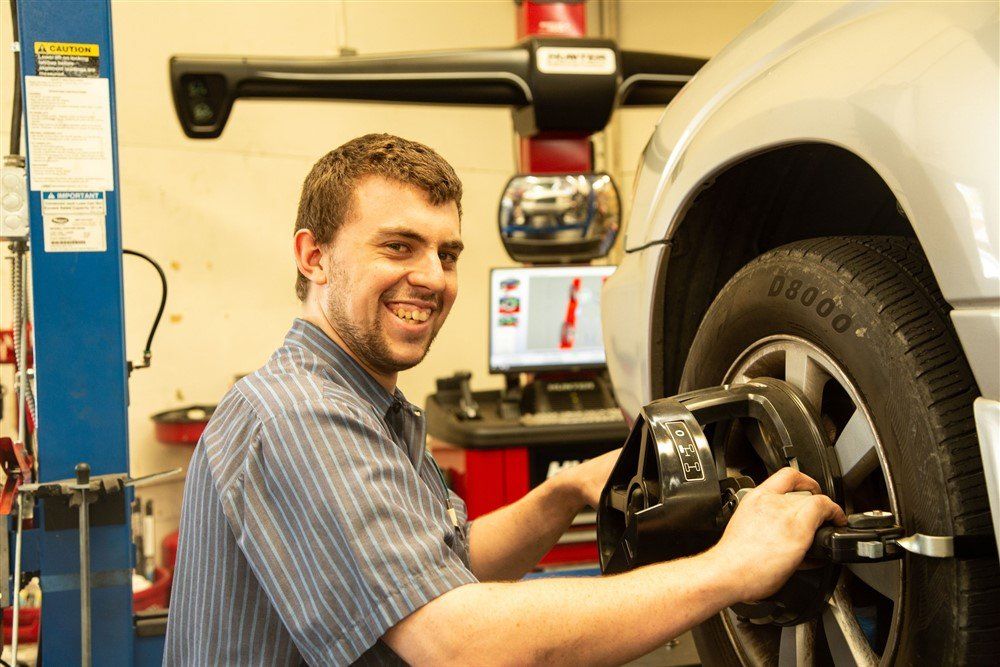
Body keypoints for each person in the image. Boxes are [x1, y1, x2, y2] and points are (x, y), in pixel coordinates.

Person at [163, 133, 846, 666]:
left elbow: (438, 569)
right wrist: (728, 569)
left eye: (448, 253)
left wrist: (564, 492)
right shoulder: (299, 415)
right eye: (398, 246)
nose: (431, 277)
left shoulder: (366, 405)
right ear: (313, 257)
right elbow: (459, 643)